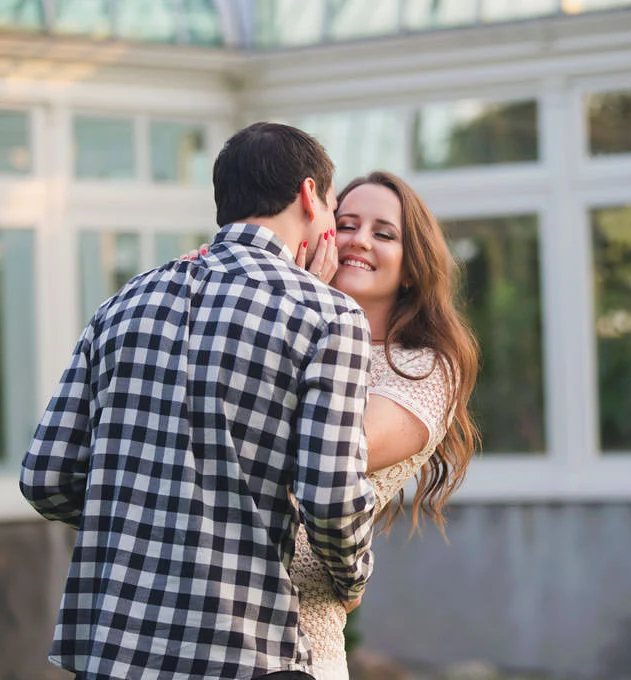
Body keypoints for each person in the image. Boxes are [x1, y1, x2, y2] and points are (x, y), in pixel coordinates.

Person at [20, 122, 377, 680]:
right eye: (334, 208)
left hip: (112, 649)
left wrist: (142, 521)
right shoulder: (328, 316)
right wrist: (352, 576)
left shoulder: (122, 303)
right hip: (243, 651)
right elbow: (331, 498)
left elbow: (45, 477)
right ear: (310, 196)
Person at [186, 171, 480, 679]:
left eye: (383, 233)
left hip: (297, 635)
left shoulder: (425, 369)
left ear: (412, 268)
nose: (359, 240)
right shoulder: (286, 324)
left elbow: (331, 446)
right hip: (198, 609)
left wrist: (304, 294)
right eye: (346, 224)